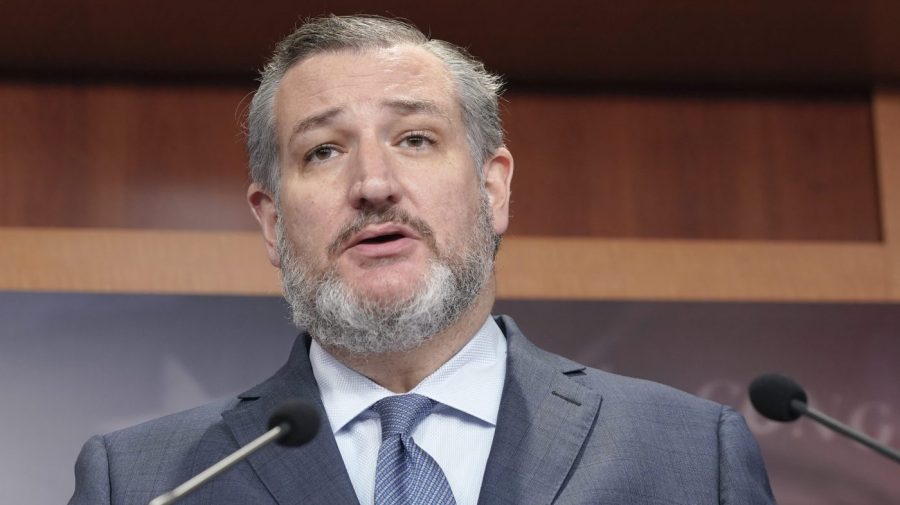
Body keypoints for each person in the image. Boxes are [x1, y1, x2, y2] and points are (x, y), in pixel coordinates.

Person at [69, 15, 776, 505]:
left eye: (415, 139)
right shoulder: (146, 481)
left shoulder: (688, 455)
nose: (373, 184)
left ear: (493, 188)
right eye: (324, 150)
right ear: (273, 219)